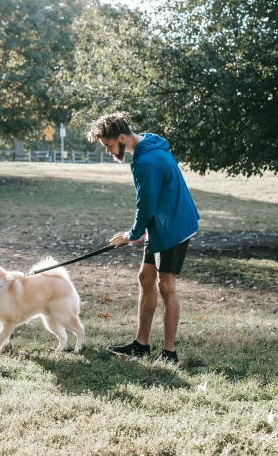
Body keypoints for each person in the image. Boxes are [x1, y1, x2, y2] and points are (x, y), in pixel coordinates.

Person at [86, 112, 200, 365]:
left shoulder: (146, 161)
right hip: (159, 223)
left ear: (123, 137)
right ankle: (141, 345)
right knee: (145, 277)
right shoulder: (148, 145)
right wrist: (140, 232)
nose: (108, 151)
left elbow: (145, 203)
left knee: (166, 286)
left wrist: (132, 235)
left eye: (109, 145)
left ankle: (169, 353)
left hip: (173, 226)